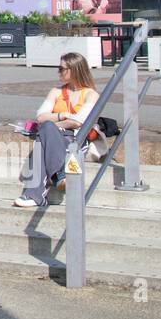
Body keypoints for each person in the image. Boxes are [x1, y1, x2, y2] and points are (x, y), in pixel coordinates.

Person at [13, 53, 100, 208]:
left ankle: (33, 195)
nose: (58, 72)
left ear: (74, 70)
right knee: (45, 131)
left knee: (44, 136)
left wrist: (54, 123)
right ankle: (60, 174)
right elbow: (40, 117)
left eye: (62, 68)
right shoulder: (56, 91)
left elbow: (78, 122)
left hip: (74, 138)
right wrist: (62, 115)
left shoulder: (91, 94)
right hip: (53, 134)